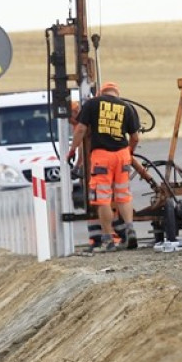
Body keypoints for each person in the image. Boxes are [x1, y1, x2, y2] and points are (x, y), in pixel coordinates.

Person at [67, 82, 140, 251]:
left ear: (101, 92)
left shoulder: (93, 104)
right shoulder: (127, 107)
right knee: (123, 195)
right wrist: (129, 153)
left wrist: (72, 151)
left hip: (102, 156)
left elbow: (80, 130)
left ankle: (108, 239)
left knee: (103, 198)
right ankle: (130, 230)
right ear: (117, 93)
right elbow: (135, 138)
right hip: (122, 156)